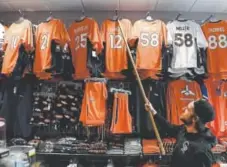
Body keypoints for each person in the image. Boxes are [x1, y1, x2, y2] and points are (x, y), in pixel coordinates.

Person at [145, 98, 217, 167]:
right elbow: (169, 128)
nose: (183, 109)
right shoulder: (184, 130)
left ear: (194, 119)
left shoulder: (202, 151)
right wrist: (153, 111)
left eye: (187, 110)